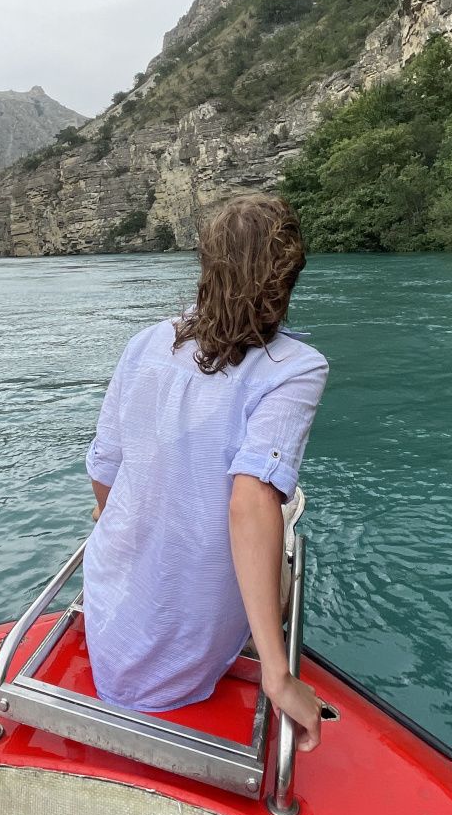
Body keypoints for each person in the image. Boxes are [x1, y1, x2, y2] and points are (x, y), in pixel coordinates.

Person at [83, 193, 329, 751]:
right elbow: (249, 501)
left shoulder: (145, 343)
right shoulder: (297, 367)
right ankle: (263, 638)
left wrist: (109, 512)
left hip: (112, 623)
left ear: (206, 266)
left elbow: (104, 468)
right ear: (287, 276)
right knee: (280, 523)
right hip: (188, 645)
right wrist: (278, 674)